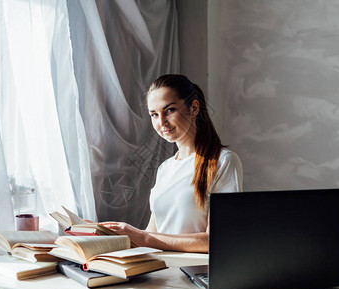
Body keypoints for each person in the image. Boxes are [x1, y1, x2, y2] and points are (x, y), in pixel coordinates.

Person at [101, 74, 243, 253]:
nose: (161, 122)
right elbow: (151, 235)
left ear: (194, 108)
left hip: (196, 274)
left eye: (169, 110)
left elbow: (217, 239)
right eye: (154, 114)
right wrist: (108, 235)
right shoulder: (165, 169)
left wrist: (144, 237)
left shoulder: (224, 161)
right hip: (161, 270)